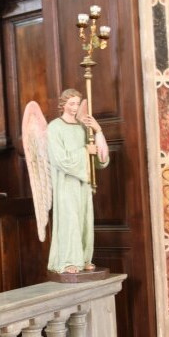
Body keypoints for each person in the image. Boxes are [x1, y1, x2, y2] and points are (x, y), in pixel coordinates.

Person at [47, 89, 108, 274]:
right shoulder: (54, 127)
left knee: (84, 219)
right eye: (71, 103)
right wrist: (84, 151)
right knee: (70, 221)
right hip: (66, 184)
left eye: (77, 103)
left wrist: (98, 130)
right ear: (63, 104)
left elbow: (100, 159)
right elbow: (60, 159)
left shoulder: (83, 128)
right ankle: (68, 261)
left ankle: (83, 258)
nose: (74, 107)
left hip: (83, 184)